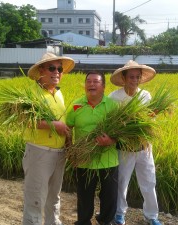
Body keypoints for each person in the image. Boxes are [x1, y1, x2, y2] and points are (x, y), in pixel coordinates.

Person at [22, 52, 74, 225]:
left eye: (59, 69)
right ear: (40, 71)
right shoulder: (31, 94)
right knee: (36, 199)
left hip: (59, 154)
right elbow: (26, 120)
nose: (57, 72)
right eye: (52, 68)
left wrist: (67, 140)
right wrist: (55, 125)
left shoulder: (58, 93)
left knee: (54, 197)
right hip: (39, 153)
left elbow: (63, 121)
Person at [108, 60, 162, 225]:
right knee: (122, 181)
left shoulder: (146, 96)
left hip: (144, 147)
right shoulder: (114, 97)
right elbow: (111, 123)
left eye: (137, 77)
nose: (135, 80)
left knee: (148, 181)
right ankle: (119, 214)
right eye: (131, 76)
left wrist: (151, 116)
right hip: (124, 148)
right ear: (124, 78)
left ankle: (151, 216)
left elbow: (150, 121)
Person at [66, 71, 119, 225]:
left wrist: (111, 140)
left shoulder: (113, 106)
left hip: (108, 159)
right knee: (84, 194)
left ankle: (106, 220)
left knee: (109, 194)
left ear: (103, 86)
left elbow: (123, 132)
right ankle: (83, 221)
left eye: (96, 81)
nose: (91, 84)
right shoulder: (76, 105)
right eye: (88, 81)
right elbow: (67, 129)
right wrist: (70, 151)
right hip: (84, 159)